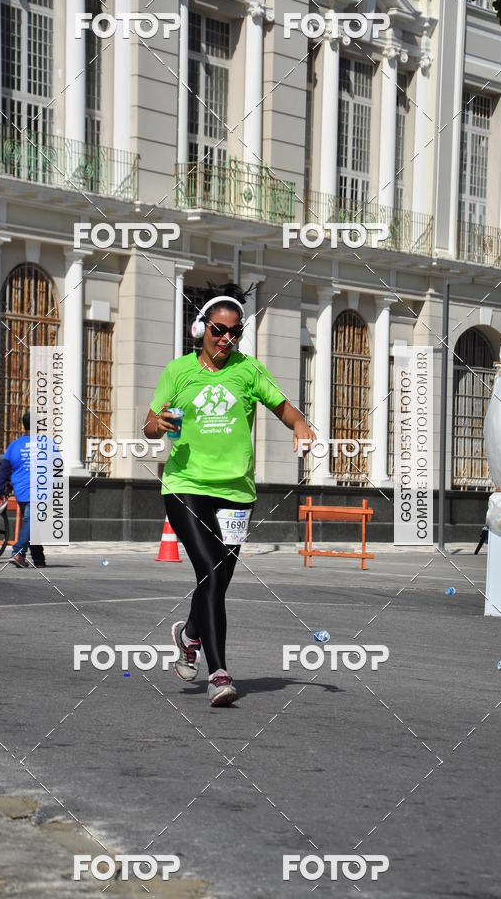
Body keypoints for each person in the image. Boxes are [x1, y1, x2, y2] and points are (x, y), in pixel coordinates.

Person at [144, 282, 316, 707]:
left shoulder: (249, 371)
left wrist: (300, 424)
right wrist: (157, 425)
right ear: (201, 328)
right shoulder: (178, 371)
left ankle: (189, 634)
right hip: (185, 485)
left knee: (219, 579)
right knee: (209, 570)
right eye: (219, 330)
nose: (226, 338)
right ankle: (218, 673)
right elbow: (149, 424)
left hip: (237, 492)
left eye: (234, 332)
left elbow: (285, 408)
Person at [0, 411, 46, 569]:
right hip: (39, 490)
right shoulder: (46, 444)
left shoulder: (14, 445)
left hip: (21, 491)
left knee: (32, 523)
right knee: (33, 522)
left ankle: (38, 558)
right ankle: (18, 552)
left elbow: (4, 469)